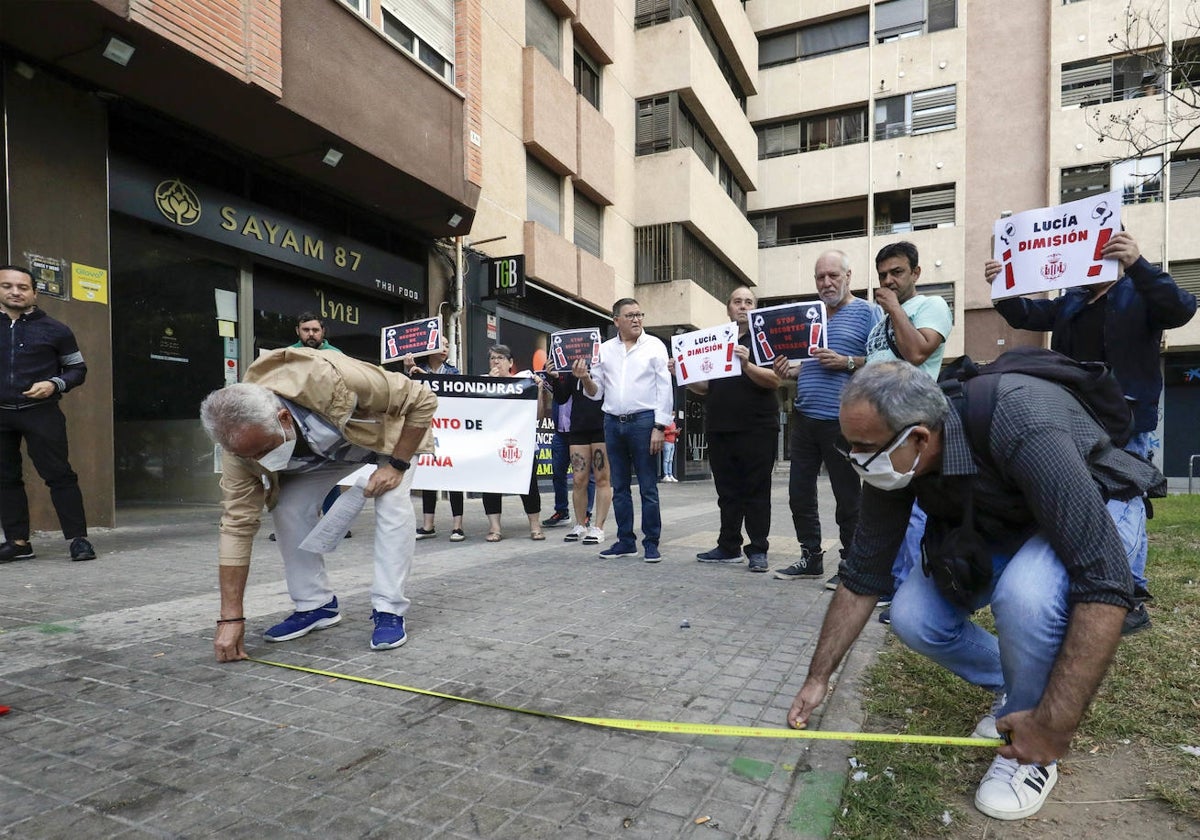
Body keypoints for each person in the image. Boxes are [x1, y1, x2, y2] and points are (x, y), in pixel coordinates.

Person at [786, 361, 1164, 822]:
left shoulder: (1021, 422)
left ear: (920, 438)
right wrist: (817, 677)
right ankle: (1018, 688)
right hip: (1007, 518)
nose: (856, 460)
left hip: (1097, 506)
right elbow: (864, 574)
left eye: (864, 449)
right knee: (912, 617)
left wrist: (1055, 725)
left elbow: (1103, 579)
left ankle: (1031, 752)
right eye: (850, 447)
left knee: (1025, 596)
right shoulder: (895, 458)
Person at [984, 230, 1196, 632]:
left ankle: (1129, 592)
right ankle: (1097, 574)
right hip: (1077, 416)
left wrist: (1138, 263)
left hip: (1127, 418)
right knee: (1089, 495)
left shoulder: (1139, 290)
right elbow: (1026, 315)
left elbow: (1181, 308)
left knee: (1126, 493)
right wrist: (1004, 285)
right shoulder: (1073, 300)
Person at [199, 347, 437, 659]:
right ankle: (316, 605)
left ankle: (389, 608)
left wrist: (396, 465)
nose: (258, 461)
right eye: (249, 456)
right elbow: (236, 527)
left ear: (283, 418)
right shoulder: (240, 451)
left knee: (392, 501)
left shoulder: (329, 377)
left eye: (262, 450)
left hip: (386, 439)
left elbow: (422, 400)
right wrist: (230, 617)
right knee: (286, 507)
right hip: (326, 454)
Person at [845, 241, 953, 613]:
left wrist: (893, 309)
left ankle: (911, 594)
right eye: (882, 275)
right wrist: (845, 363)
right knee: (881, 509)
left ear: (916, 274)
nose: (888, 281)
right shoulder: (884, 320)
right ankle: (887, 584)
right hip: (880, 429)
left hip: (911, 424)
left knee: (914, 516)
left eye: (897, 273)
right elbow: (878, 360)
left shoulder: (931, 306)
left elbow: (917, 352)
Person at [771, 251, 880, 582]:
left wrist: (847, 362)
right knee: (799, 494)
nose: (826, 282)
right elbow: (805, 364)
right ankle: (811, 558)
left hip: (843, 421)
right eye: (820, 277)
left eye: (833, 275)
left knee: (848, 497)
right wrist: (786, 369)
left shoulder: (867, 312)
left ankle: (851, 564)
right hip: (804, 418)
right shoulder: (809, 316)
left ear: (849, 276)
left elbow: (883, 359)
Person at [670, 287, 780, 572]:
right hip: (720, 427)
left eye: (748, 302)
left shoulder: (764, 339)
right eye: (737, 302)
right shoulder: (718, 340)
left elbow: (774, 380)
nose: (742, 306)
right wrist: (682, 374)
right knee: (727, 492)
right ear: (728, 308)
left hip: (757, 427)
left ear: (754, 308)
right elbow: (706, 387)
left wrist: (746, 364)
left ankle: (758, 550)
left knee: (756, 491)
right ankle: (728, 546)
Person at [0, 265, 96, 563]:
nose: (15, 291)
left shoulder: (57, 330)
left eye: (23, 287)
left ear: (34, 293)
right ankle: (18, 543)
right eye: (7, 286)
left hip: (41, 413)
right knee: (5, 479)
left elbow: (77, 370)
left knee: (59, 475)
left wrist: (54, 384)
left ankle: (79, 540)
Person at [578, 299, 672, 562]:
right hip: (611, 422)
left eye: (639, 314)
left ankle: (651, 543)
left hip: (644, 422)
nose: (636, 319)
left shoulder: (655, 346)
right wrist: (585, 378)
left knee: (647, 487)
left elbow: (665, 388)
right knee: (619, 486)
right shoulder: (604, 350)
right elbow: (595, 394)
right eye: (630, 315)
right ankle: (625, 541)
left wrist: (659, 427)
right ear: (616, 320)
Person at [403, 338, 466, 542]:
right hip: (427, 430)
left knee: (453, 478)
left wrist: (428, 378)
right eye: (442, 345)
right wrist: (408, 371)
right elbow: (405, 393)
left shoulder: (454, 373)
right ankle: (428, 525)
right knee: (429, 476)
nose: (445, 349)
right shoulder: (415, 370)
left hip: (450, 431)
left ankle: (457, 526)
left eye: (448, 346)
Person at [480, 345, 544, 541]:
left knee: (528, 485)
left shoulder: (525, 381)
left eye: (500, 358)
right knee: (490, 485)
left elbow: (538, 416)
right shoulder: (483, 382)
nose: (496, 361)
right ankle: (495, 528)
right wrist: (490, 387)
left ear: (510, 362)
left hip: (521, 443)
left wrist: (538, 391)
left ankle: (535, 525)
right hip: (492, 443)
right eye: (492, 358)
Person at [549, 360, 611, 546]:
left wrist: (586, 377)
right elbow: (561, 398)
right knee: (578, 479)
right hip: (577, 427)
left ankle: (598, 527)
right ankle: (580, 524)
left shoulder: (605, 365)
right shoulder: (572, 367)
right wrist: (554, 379)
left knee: (602, 478)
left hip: (602, 426)